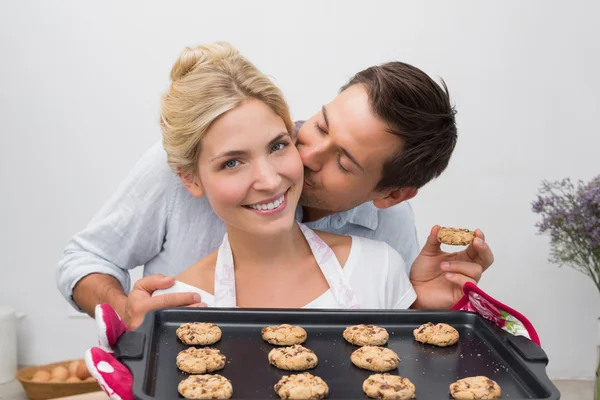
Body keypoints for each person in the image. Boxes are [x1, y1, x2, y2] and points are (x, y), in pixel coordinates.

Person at [56, 42, 494, 328]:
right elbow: (84, 258)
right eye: (319, 125)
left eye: (342, 161)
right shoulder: (185, 161)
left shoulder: (387, 240)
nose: (298, 160)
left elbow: (384, 332)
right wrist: (125, 312)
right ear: (192, 178)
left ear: (391, 194)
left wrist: (421, 306)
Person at [144, 42, 415, 313]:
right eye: (233, 163)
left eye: (277, 146)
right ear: (190, 179)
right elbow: (100, 258)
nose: (271, 181)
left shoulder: (381, 267)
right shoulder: (175, 303)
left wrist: (437, 309)